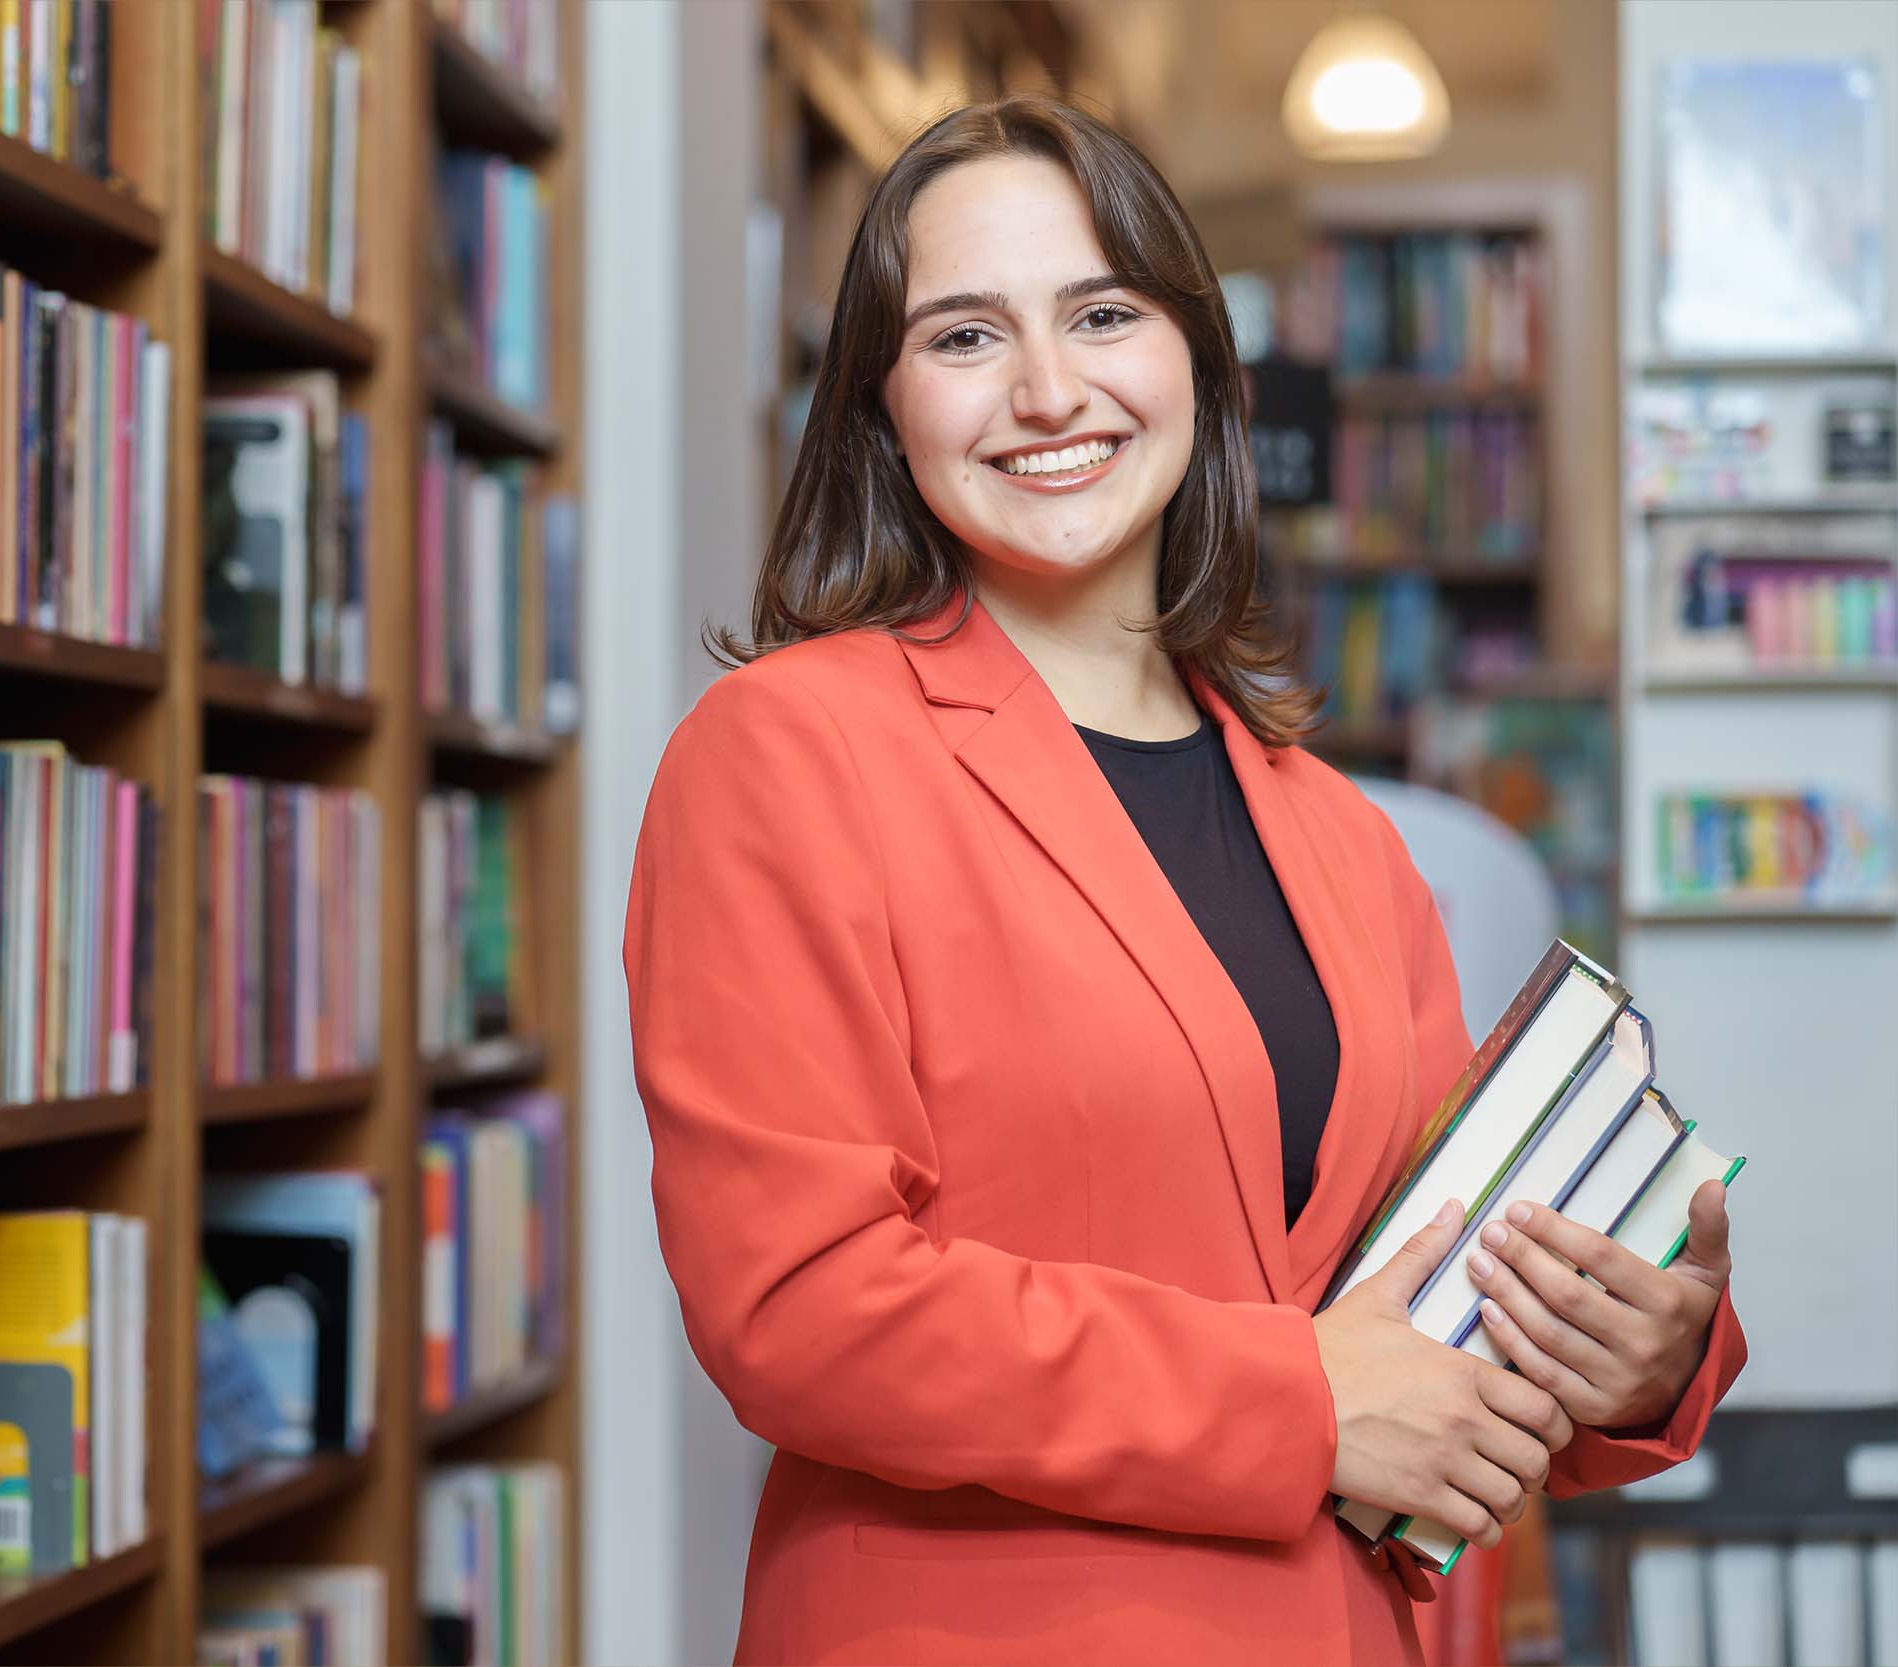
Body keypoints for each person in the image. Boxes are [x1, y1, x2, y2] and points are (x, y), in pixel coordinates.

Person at [622, 95, 1745, 1667]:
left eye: (1102, 313)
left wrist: (1631, 1357)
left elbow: (1426, 1296)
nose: (1046, 389)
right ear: (881, 409)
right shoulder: (785, 755)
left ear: (1199, 364)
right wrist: (1298, 1401)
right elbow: (803, 1309)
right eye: (962, 337)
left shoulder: (1342, 834)